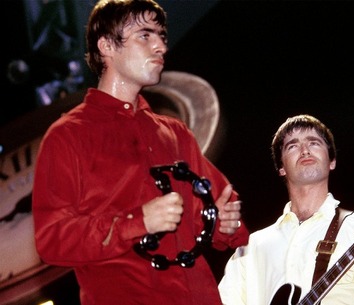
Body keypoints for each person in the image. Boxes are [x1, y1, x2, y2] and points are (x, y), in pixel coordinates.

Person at [32, 1, 249, 304]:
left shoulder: (175, 133)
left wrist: (225, 224)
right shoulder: (67, 136)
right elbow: (52, 239)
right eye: (145, 36)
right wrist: (137, 222)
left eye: (161, 36)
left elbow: (222, 208)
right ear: (106, 45)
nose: (161, 46)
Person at [218, 114, 354, 305]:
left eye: (314, 143)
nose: (305, 150)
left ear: (332, 161)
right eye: (293, 146)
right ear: (281, 168)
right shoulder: (251, 246)